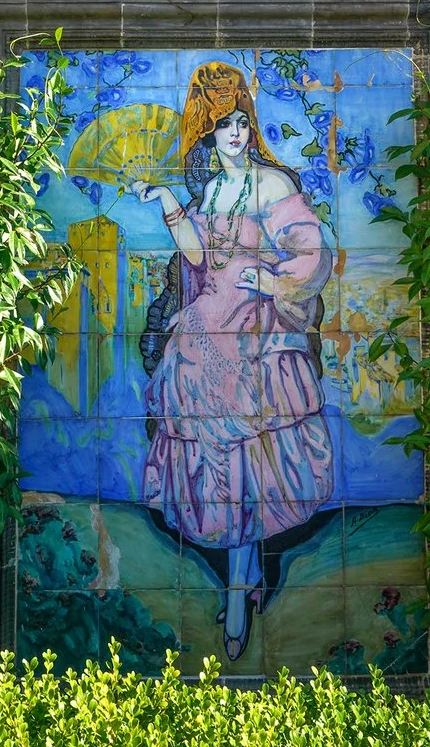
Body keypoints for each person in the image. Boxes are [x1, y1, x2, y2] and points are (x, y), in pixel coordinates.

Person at [125, 60, 336, 662]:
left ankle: (242, 594)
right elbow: (197, 257)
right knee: (218, 464)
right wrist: (170, 202)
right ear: (207, 135)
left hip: (253, 337)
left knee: (249, 463)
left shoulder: (272, 185)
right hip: (203, 336)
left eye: (241, 122)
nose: (236, 135)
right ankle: (244, 582)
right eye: (223, 127)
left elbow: (312, 252)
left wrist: (271, 283)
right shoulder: (212, 189)